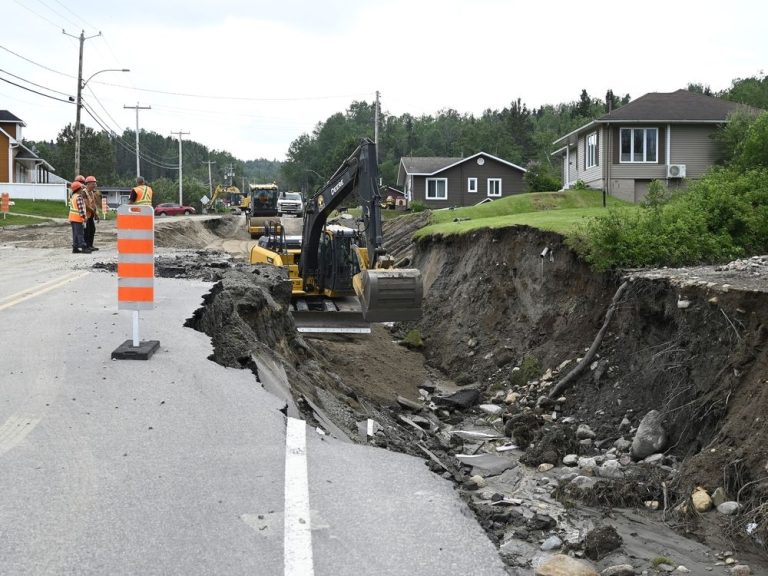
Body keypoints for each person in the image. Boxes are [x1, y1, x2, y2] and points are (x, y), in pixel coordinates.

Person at [68, 181, 91, 253]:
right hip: (78, 218)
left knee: (75, 234)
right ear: (78, 189)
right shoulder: (79, 197)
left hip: (72, 218)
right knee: (80, 234)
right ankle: (83, 247)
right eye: (81, 188)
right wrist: (84, 218)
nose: (82, 189)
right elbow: (81, 209)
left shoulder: (73, 196)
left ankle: (75, 248)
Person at [83, 175, 100, 251]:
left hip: (90, 215)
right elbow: (86, 206)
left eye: (95, 184)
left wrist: (96, 213)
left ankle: (90, 245)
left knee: (92, 229)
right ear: (88, 184)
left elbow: (93, 204)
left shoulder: (92, 193)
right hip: (85, 216)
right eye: (93, 184)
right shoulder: (84, 193)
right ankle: (86, 246)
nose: (95, 185)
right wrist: (94, 212)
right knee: (87, 231)